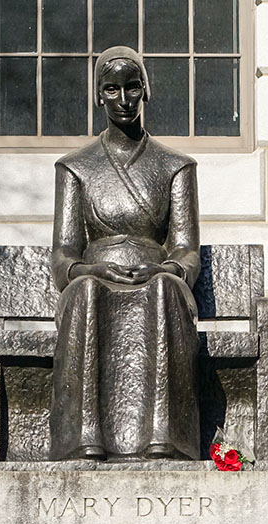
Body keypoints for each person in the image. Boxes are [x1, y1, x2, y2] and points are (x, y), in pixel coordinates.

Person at [50, 45, 201, 461]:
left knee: (165, 292)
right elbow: (63, 251)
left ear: (145, 91)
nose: (123, 100)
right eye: (111, 89)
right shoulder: (75, 167)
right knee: (84, 293)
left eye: (132, 88)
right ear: (99, 95)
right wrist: (87, 268)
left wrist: (167, 267)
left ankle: (165, 438)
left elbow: (187, 248)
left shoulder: (175, 166)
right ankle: (83, 439)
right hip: (96, 277)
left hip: (155, 276)